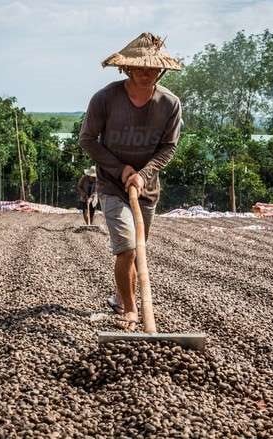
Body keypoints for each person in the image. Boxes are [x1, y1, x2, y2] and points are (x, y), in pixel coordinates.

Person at [79, 32, 183, 331]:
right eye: (140, 68)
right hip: (111, 184)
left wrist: (144, 173)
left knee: (138, 249)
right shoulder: (105, 98)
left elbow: (169, 147)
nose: (146, 73)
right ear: (126, 68)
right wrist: (121, 168)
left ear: (161, 69)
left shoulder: (170, 104)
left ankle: (119, 297)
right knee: (126, 248)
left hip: (146, 189)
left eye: (152, 68)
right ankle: (130, 309)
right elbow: (87, 140)